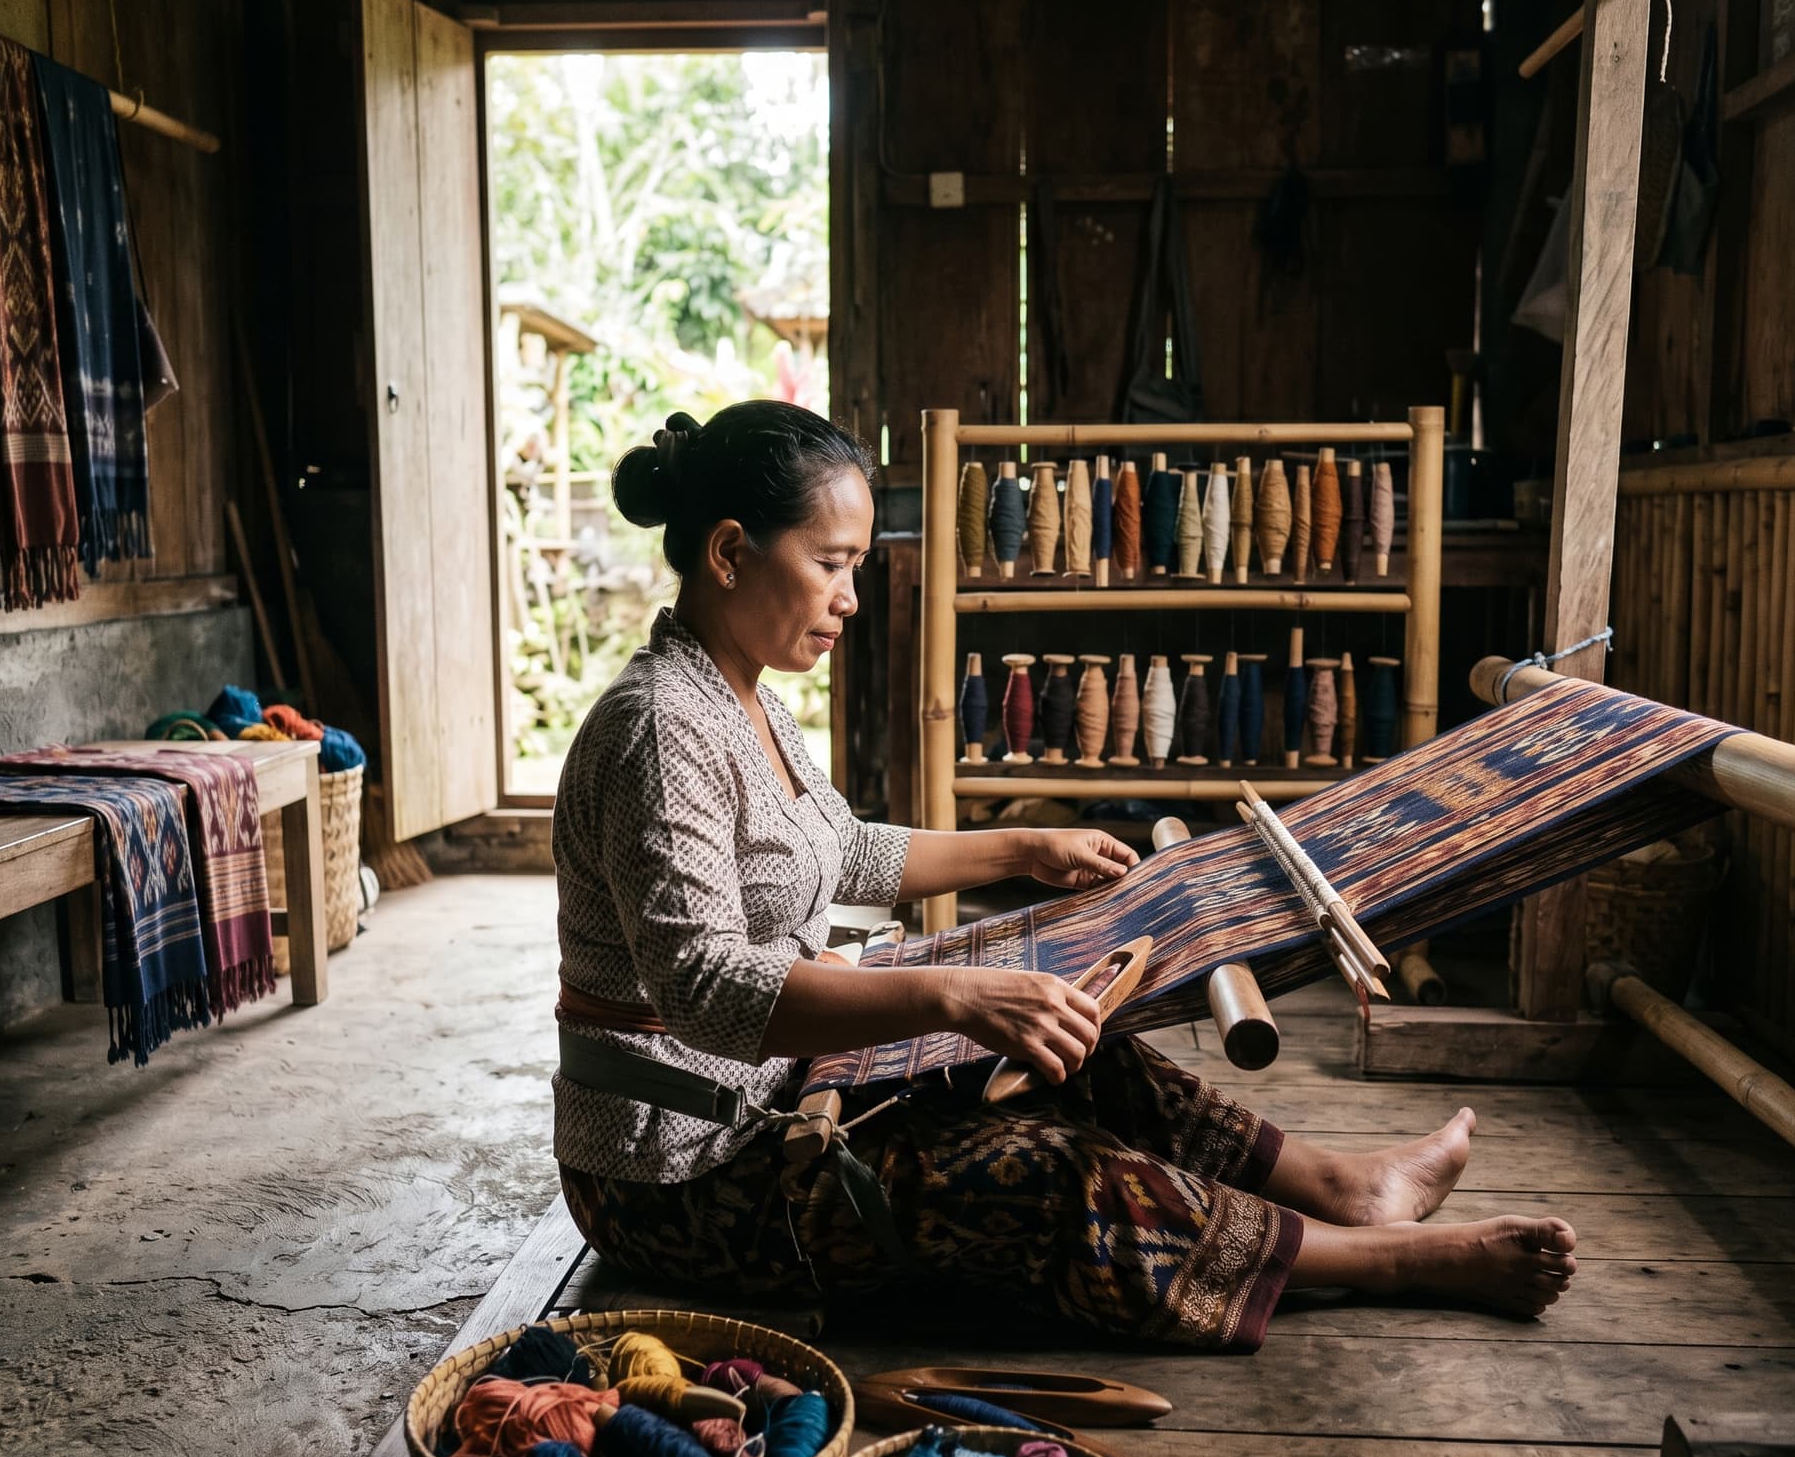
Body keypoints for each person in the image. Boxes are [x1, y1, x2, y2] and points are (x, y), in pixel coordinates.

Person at [552, 401, 1578, 1352]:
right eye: (830, 564)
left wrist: (1025, 847)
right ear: (731, 551)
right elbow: (704, 992)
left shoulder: (743, 701)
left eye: (855, 565)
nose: (850, 597)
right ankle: (1385, 1260)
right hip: (678, 1169)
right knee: (1041, 1174)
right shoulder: (659, 728)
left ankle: (1343, 1184)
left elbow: (841, 851)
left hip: (773, 1093)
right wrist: (951, 990)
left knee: (1078, 1038)